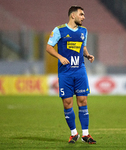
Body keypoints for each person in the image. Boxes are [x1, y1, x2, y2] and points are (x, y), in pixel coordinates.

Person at [46, 6, 96, 144]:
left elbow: (83, 47)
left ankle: (86, 134)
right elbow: (49, 47)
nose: (84, 17)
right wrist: (59, 57)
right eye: (81, 14)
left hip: (80, 71)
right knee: (68, 103)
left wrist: (87, 55)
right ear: (72, 16)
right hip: (65, 73)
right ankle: (74, 133)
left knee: (83, 102)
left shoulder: (84, 31)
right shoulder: (59, 30)